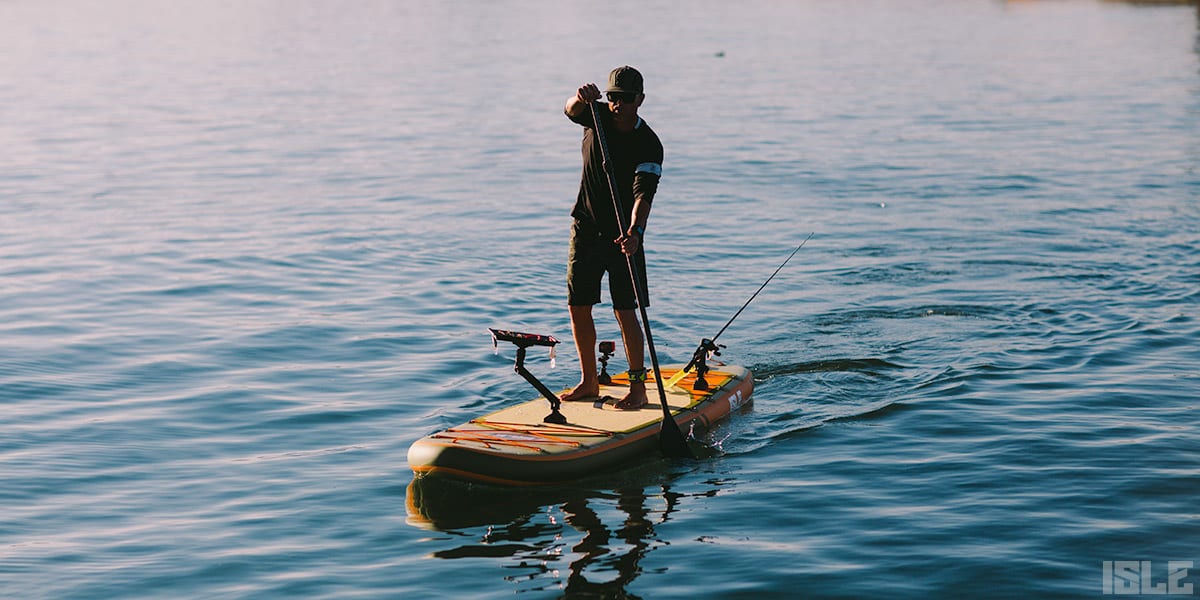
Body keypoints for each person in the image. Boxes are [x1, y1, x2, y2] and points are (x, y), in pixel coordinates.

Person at [560, 66, 663, 410]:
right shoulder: (595, 116)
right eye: (612, 97)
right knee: (578, 305)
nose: (617, 104)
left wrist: (636, 232)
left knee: (625, 310)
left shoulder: (649, 143)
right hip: (586, 227)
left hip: (625, 234)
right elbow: (570, 110)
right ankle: (589, 381)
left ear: (640, 100)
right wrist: (580, 96)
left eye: (625, 98)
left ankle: (638, 388)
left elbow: (643, 195)